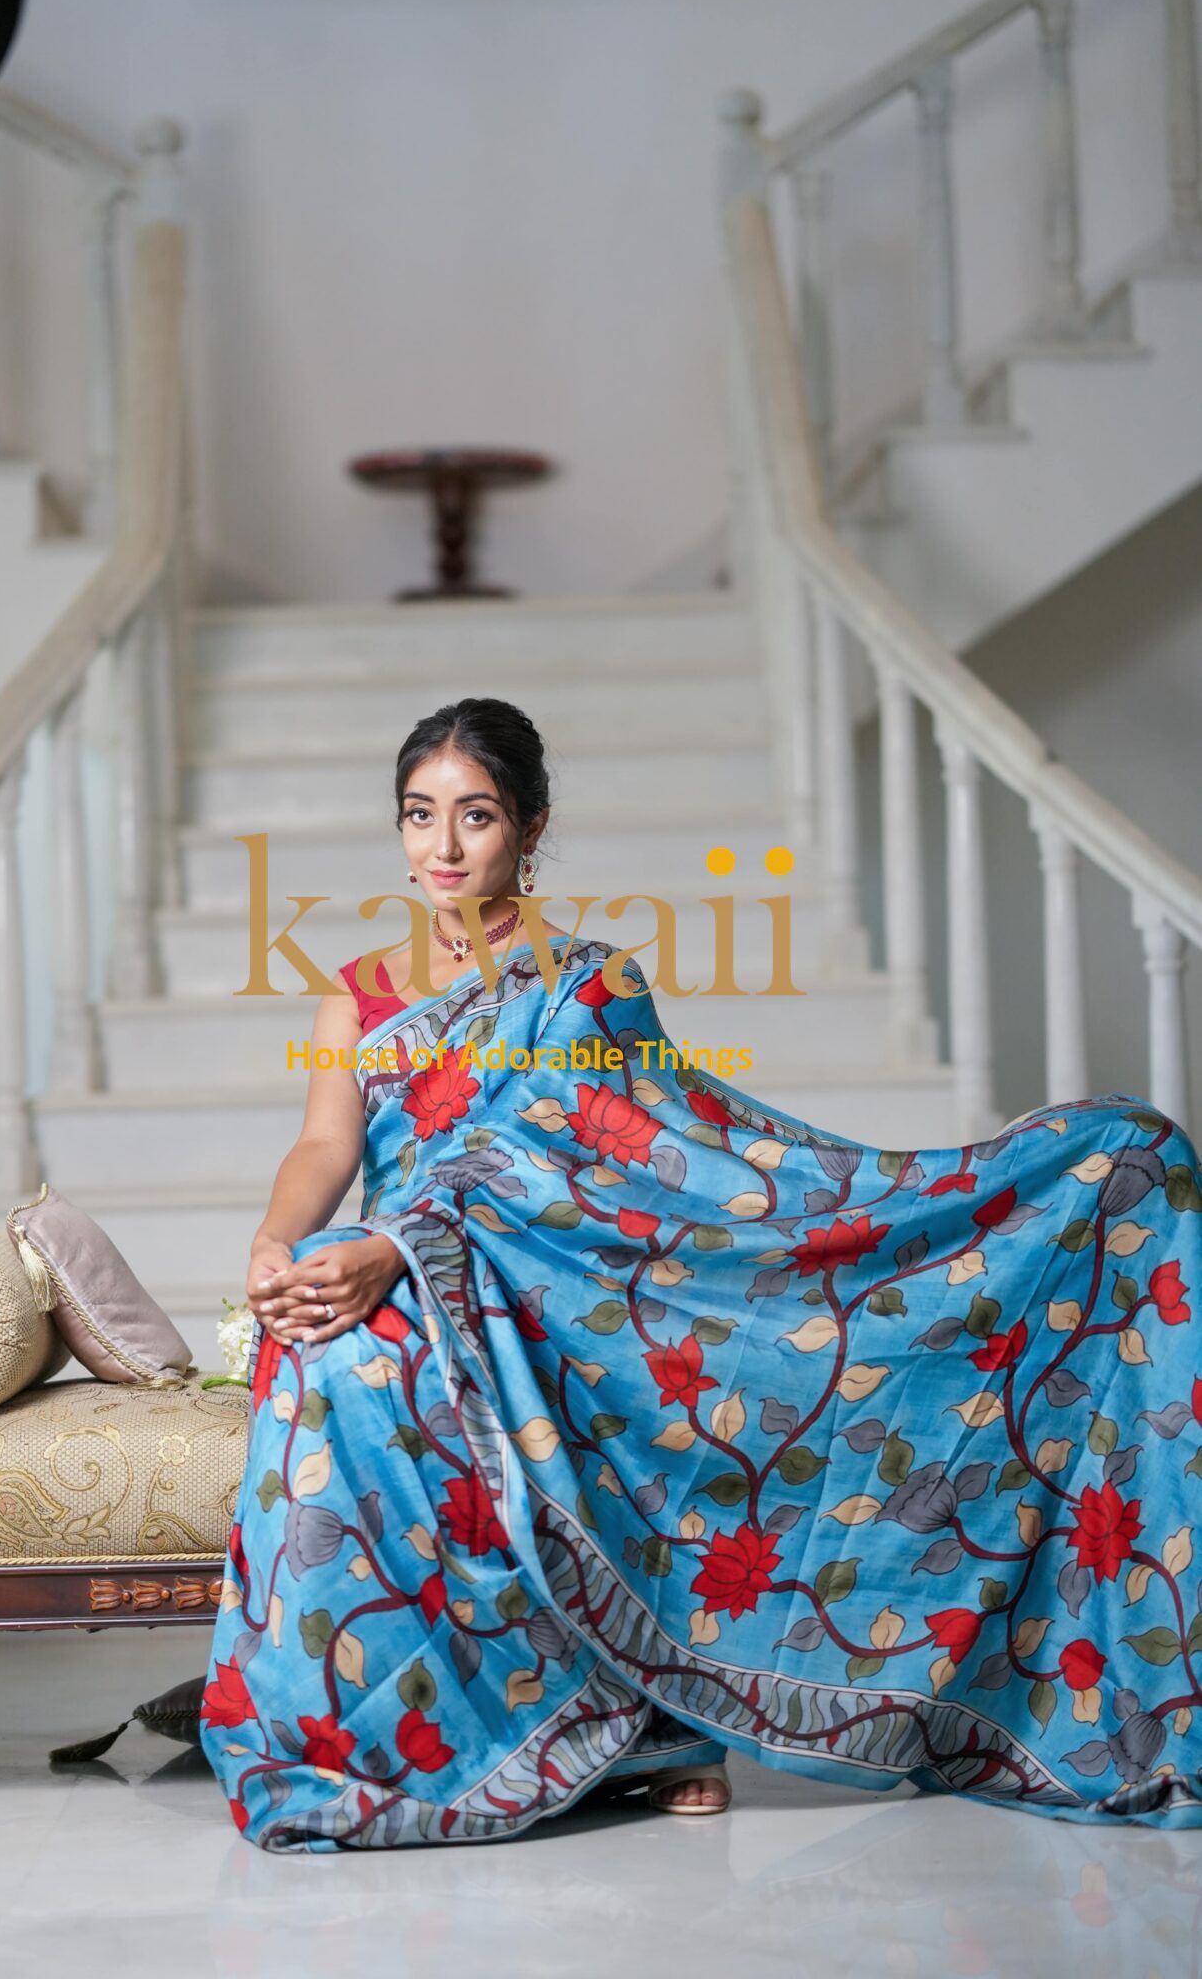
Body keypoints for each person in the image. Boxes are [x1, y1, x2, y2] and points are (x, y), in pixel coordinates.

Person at [200, 696, 1202, 1851]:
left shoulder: (589, 984)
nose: (443, 845)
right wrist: (278, 1241)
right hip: (409, 1275)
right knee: (331, 1345)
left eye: (474, 815)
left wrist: (405, 1241)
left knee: (478, 1350)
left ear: (529, 826)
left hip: (553, 1288)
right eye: (420, 815)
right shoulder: (358, 991)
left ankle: (651, 1727)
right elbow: (329, 1144)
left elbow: (616, 1159)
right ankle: (367, 1736)